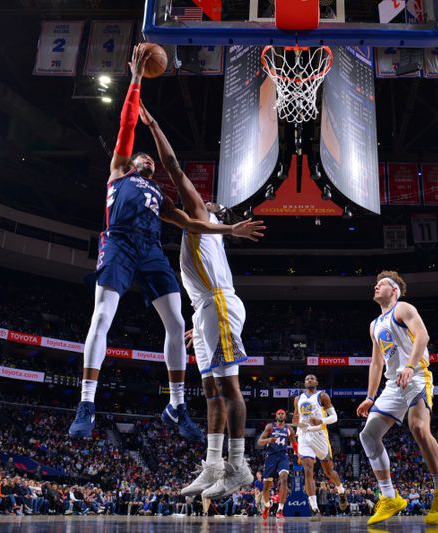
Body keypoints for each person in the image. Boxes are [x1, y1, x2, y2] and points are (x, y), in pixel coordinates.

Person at [68, 44, 263, 439]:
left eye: (152, 164)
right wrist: (137, 80)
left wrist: (228, 230)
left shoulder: (161, 197)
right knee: (103, 315)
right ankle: (87, 401)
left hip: (152, 249)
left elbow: (194, 223)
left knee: (176, 324)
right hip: (120, 243)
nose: (149, 164)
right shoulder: (120, 171)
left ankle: (175, 406)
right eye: (146, 160)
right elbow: (126, 126)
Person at [137, 101, 264, 499]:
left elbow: (173, 167)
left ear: (211, 211)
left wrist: (154, 122)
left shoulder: (201, 217)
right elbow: (163, 205)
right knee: (210, 392)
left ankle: (239, 466)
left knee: (229, 389)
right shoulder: (192, 228)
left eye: (206, 202)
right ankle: (212, 465)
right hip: (207, 309)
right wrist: (198, 320)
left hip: (220, 305)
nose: (199, 199)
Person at [356, 271, 438, 526]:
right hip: (392, 385)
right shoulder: (374, 324)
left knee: (419, 428)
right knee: (368, 435)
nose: (376, 286)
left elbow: (422, 336)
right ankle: (390, 496)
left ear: (395, 290)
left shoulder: (403, 308)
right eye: (375, 283)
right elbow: (376, 363)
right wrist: (370, 396)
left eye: (382, 284)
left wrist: (410, 366)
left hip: (417, 375)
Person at [293, 374, 348, 520]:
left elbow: (334, 417)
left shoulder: (322, 396)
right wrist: (297, 428)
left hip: (320, 435)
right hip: (304, 437)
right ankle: (315, 509)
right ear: (304, 383)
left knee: (329, 471)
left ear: (316, 382)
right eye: (306, 379)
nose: (309, 380)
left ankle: (341, 491)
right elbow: (296, 418)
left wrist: (320, 420)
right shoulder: (298, 399)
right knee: (308, 471)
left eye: (312, 378)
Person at [257, 409, 297, 520]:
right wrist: (269, 439)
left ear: (285, 416)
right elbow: (259, 442)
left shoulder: (289, 429)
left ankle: (280, 510)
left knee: (284, 479)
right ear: (276, 415)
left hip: (283, 457)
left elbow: (294, 444)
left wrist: (298, 454)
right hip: (270, 457)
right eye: (278, 413)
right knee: (266, 488)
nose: (280, 415)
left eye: (282, 413)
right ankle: (266, 506)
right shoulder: (270, 427)